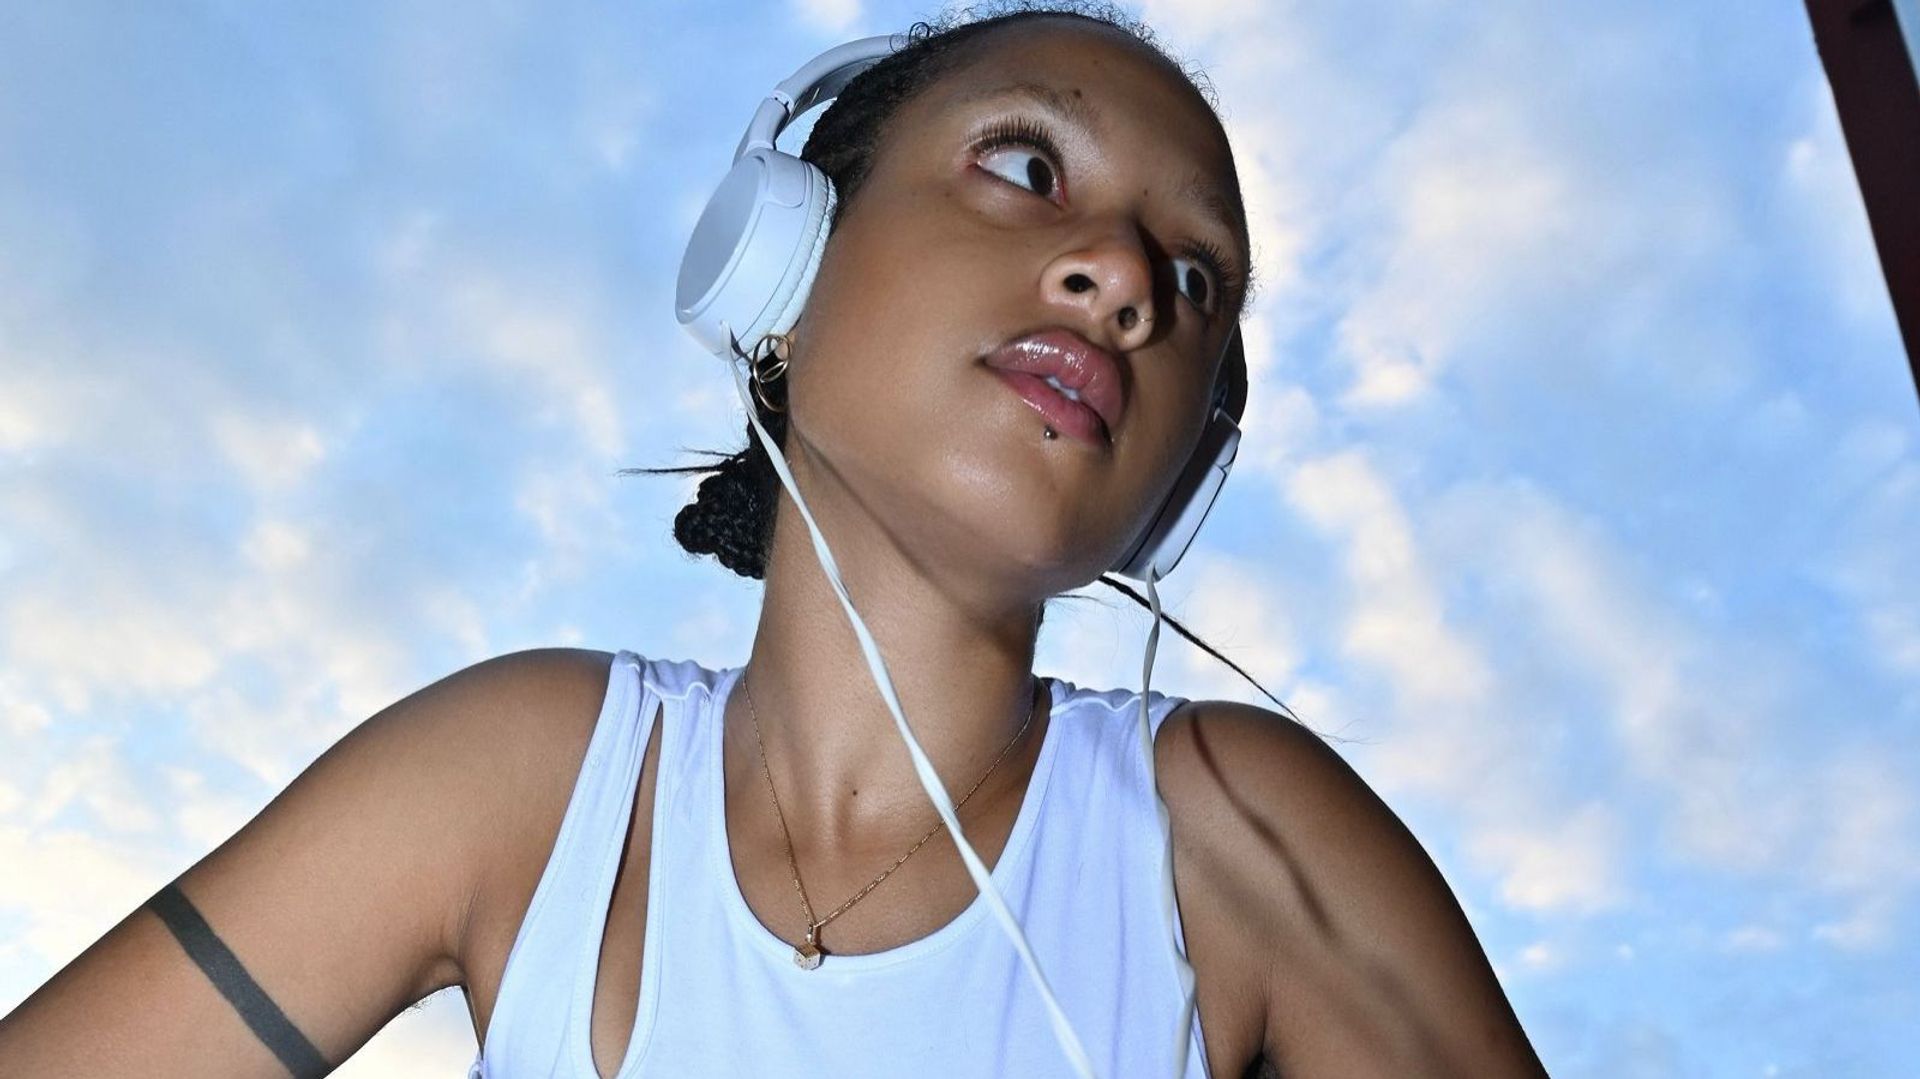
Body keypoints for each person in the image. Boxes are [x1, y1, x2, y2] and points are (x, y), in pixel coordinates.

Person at [0, 4, 1550, 1077]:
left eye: (1195, 280)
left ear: (1182, 474)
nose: (1124, 274)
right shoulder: (524, 780)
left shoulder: (1247, 830)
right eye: (1028, 168)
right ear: (781, 266)